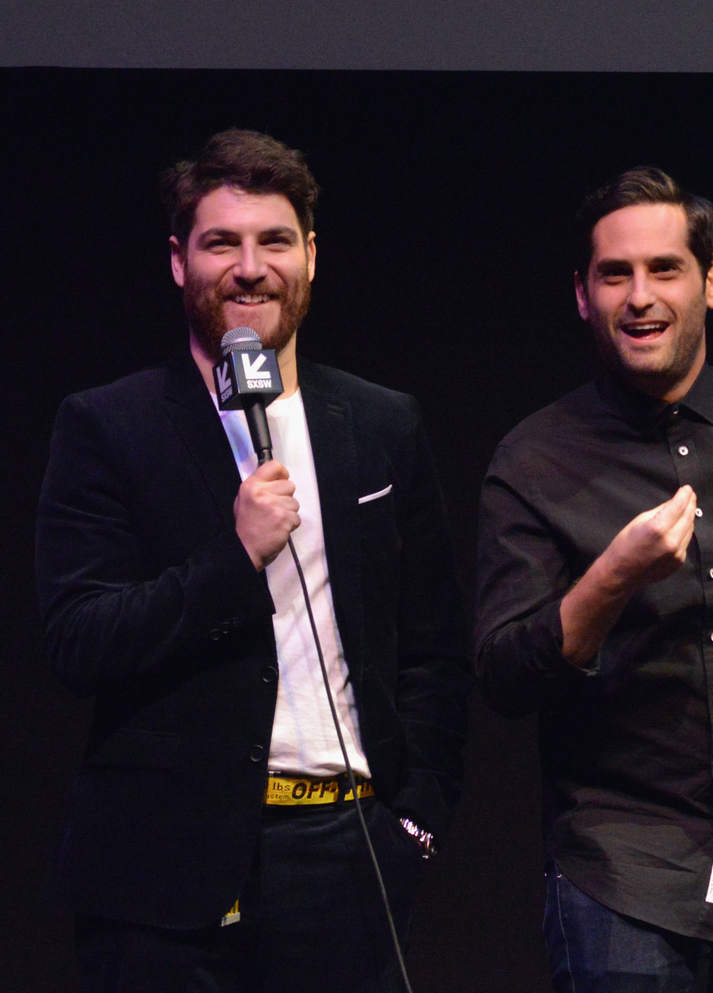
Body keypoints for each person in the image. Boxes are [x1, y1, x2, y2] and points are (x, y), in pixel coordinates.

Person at [35, 129, 468, 992]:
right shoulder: (109, 426)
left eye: (274, 241)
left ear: (310, 255)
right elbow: (79, 640)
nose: (249, 267)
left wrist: (413, 823)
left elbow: (434, 647)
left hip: (346, 859)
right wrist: (234, 560)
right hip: (164, 871)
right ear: (178, 261)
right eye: (220, 243)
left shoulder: (382, 426)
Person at [475, 167, 713, 992]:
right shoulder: (536, 458)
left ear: (711, 281)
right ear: (583, 295)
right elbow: (505, 675)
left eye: (665, 269)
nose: (639, 296)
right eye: (615, 275)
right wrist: (610, 579)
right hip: (623, 874)